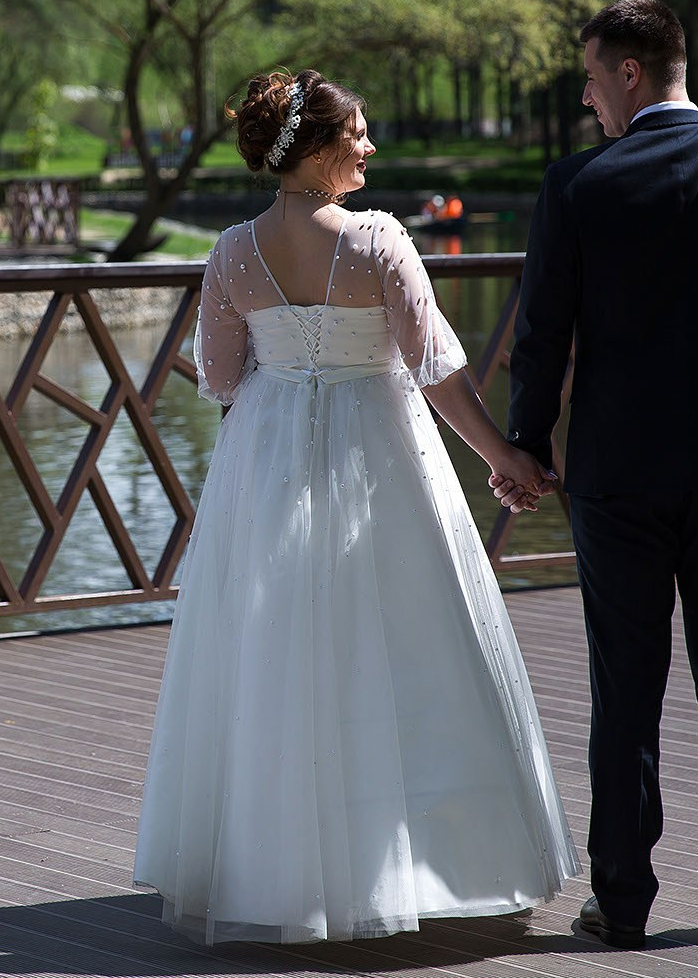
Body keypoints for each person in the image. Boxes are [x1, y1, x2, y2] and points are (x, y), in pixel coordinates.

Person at [133, 69, 577, 945]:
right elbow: (435, 369)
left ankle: (276, 871)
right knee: (403, 645)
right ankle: (416, 864)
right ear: (314, 148)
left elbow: (219, 376)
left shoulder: (232, 252)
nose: (370, 145)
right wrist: (507, 458)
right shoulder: (379, 240)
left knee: (276, 657)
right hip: (378, 459)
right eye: (357, 133)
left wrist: (286, 375)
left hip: (268, 463)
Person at [499, 0, 698, 949]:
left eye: (592, 77)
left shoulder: (577, 184)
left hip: (620, 473)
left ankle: (624, 902)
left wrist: (528, 445)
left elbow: (541, 334)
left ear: (630, 72)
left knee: (625, 692)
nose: (587, 97)